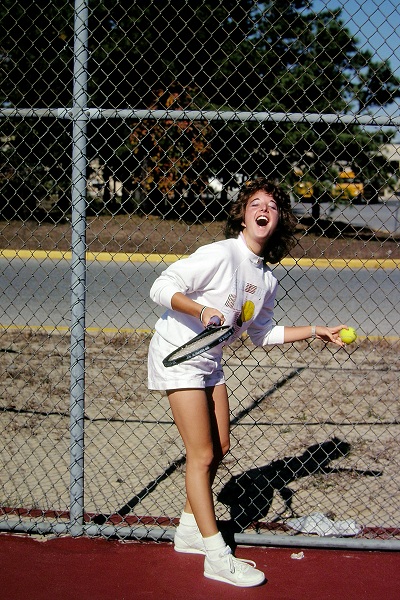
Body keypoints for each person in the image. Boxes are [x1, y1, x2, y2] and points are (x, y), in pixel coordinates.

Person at [148, 177, 347, 588]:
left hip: (210, 360)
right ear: (243, 215)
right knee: (201, 455)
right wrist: (201, 311)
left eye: (272, 206)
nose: (264, 209)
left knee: (220, 447)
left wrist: (315, 331)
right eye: (256, 203)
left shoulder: (266, 279)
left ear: (278, 220)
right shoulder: (222, 253)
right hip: (179, 353)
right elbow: (161, 286)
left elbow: (262, 334)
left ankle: (190, 531)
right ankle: (217, 557)